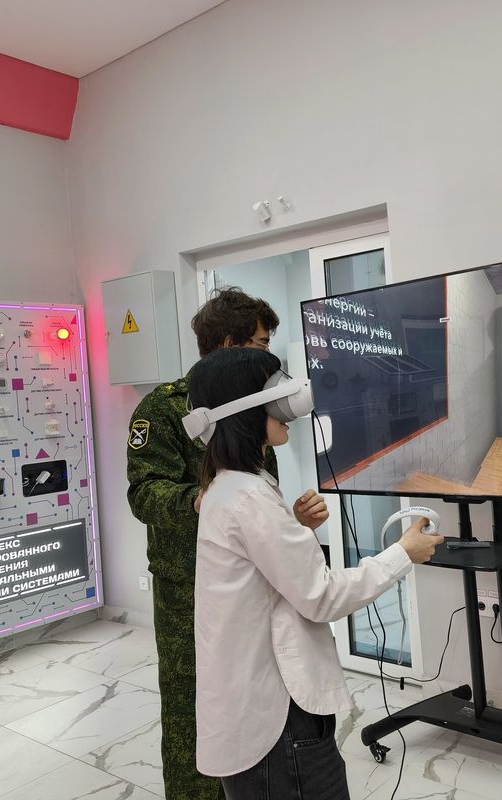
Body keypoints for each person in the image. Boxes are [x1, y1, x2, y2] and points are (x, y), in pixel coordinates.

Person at [188, 347, 443, 799]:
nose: (289, 405)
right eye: (275, 394)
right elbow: (321, 596)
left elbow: (262, 574)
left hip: (261, 709)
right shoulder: (248, 498)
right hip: (279, 720)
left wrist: (294, 526)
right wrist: (403, 553)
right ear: (245, 413)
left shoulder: (228, 488)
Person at [127, 287, 325, 800]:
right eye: (261, 344)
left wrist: (288, 522)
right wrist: (202, 502)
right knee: (194, 712)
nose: (268, 357)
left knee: (256, 702)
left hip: (249, 584)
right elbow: (144, 494)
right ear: (230, 344)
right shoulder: (164, 409)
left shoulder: (253, 406)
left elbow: (258, 489)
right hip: (188, 590)